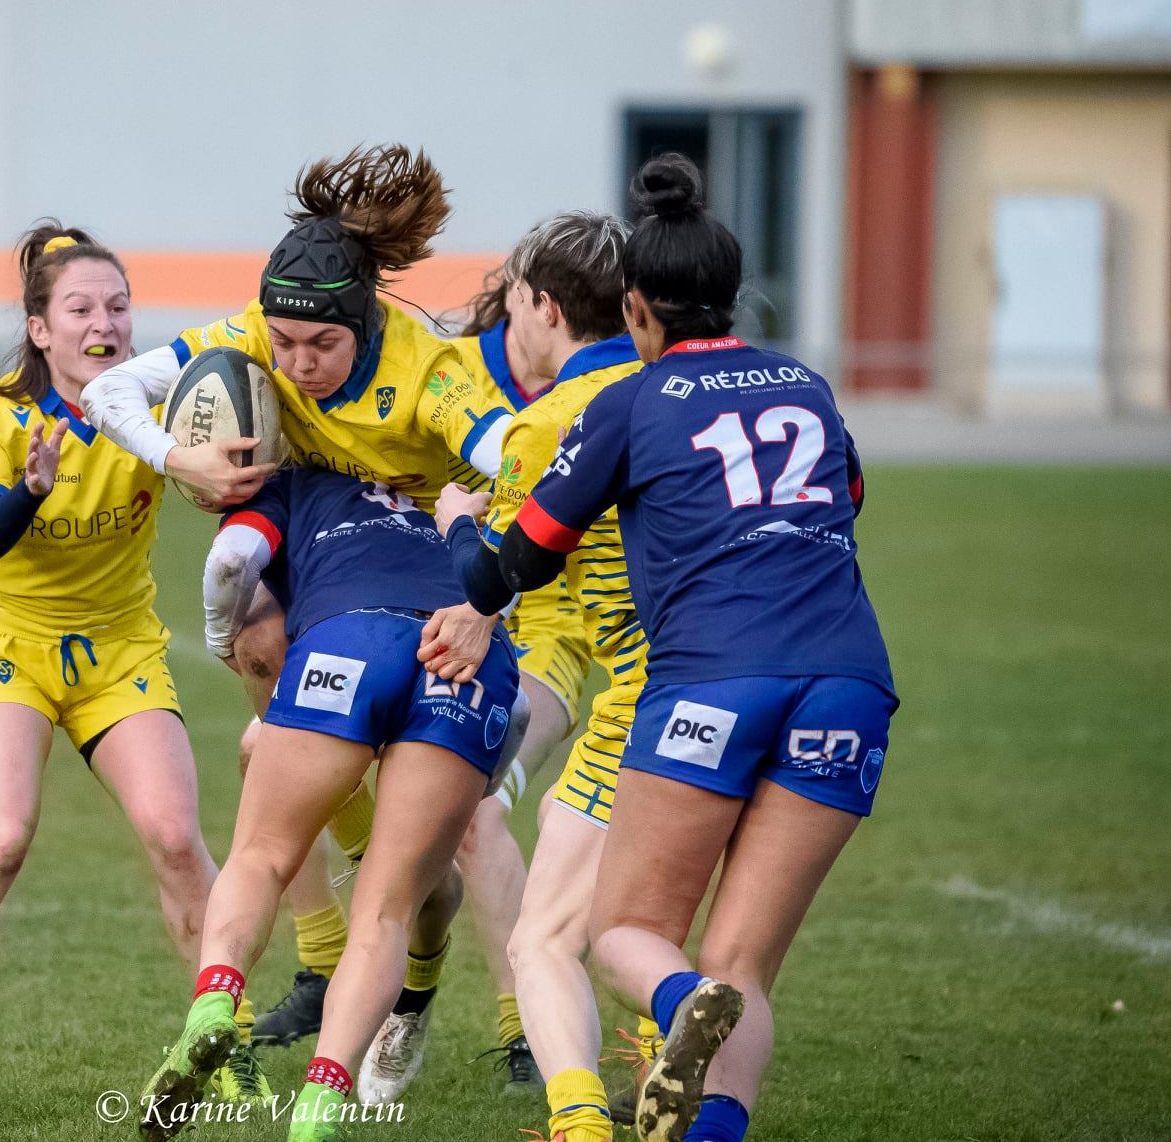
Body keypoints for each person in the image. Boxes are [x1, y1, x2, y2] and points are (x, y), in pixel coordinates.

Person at [438, 154, 896, 1142]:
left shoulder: (630, 404)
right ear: (732, 296)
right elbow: (848, 498)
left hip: (712, 683)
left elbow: (521, 561)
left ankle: (679, 1006)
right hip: (852, 687)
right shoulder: (804, 384)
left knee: (628, 937)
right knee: (743, 967)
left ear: (637, 310)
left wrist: (453, 535)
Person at [83, 145, 512, 1063]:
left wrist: (487, 582)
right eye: (284, 346)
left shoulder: (431, 373)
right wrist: (178, 458)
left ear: (365, 324)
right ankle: (324, 963)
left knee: (465, 837)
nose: (297, 364)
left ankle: (473, 1011)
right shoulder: (252, 333)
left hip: (443, 579)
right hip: (316, 544)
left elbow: (517, 454)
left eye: (322, 346)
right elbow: (113, 387)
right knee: (258, 662)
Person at [0, 222, 271, 1116]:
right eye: (81, 308)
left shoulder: (165, 402)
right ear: (38, 329)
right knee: (1, 839)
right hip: (7, 648)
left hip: (120, 652)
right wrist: (30, 486)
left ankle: (229, 1039)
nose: (105, 322)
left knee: (179, 839)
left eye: (119, 304)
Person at [137, 465, 521, 1142]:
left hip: (348, 644)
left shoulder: (292, 479)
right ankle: (320, 1106)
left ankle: (214, 1009)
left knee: (260, 856)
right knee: (388, 909)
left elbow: (231, 560)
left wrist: (225, 639)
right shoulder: (463, 465)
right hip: (463, 653)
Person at [420, 211, 663, 1142]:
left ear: (542, 305)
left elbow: (499, 579)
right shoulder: (667, 389)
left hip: (644, 691)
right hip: (738, 670)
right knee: (642, 910)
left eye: (515, 293)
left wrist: (453, 519)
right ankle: (662, 1045)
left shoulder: (547, 423)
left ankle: (586, 1115)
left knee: (546, 936)